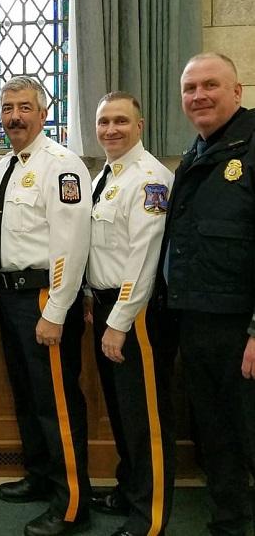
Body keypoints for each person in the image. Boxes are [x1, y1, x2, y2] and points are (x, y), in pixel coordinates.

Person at [0, 76, 91, 536]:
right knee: (28, 399)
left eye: (24, 108)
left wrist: (57, 310)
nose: (14, 117)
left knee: (57, 404)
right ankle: (42, 477)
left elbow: (72, 243)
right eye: (8, 108)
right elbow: (3, 235)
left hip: (45, 296)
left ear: (44, 114)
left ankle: (72, 504)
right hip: (11, 297)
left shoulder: (61, 166)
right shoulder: (4, 166)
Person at [161, 52, 255, 536]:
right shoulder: (195, 154)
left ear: (236, 92)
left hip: (241, 326)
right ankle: (230, 520)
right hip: (196, 320)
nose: (199, 95)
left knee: (247, 431)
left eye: (210, 85)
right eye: (190, 88)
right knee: (214, 431)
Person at [85, 92, 175, 536]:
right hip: (106, 307)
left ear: (141, 126)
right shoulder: (107, 173)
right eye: (103, 122)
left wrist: (119, 323)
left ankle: (150, 517)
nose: (110, 130)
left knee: (145, 421)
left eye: (120, 121)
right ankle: (130, 488)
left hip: (134, 314)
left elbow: (143, 257)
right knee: (123, 414)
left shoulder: (148, 179)